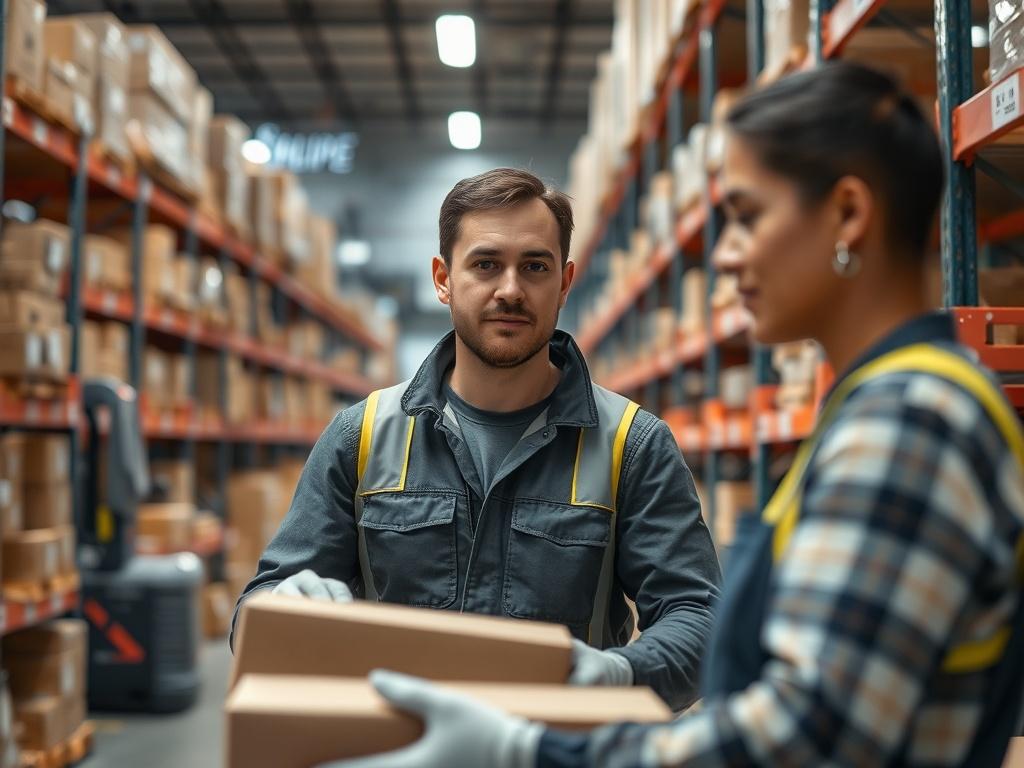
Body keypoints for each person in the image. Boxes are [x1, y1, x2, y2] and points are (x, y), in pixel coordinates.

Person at [320, 62, 1024, 768]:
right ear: (443, 278)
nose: (724, 254)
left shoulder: (910, 425)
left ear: (847, 214)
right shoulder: (887, 411)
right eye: (485, 265)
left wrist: (528, 749)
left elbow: (802, 737)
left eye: (747, 216)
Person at [230, 167, 722, 709]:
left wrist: (619, 673)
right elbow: (254, 615)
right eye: (486, 264)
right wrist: (280, 609)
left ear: (564, 281)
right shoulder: (362, 437)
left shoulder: (633, 445)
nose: (510, 290)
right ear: (443, 278)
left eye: (534, 266)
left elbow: (698, 618)